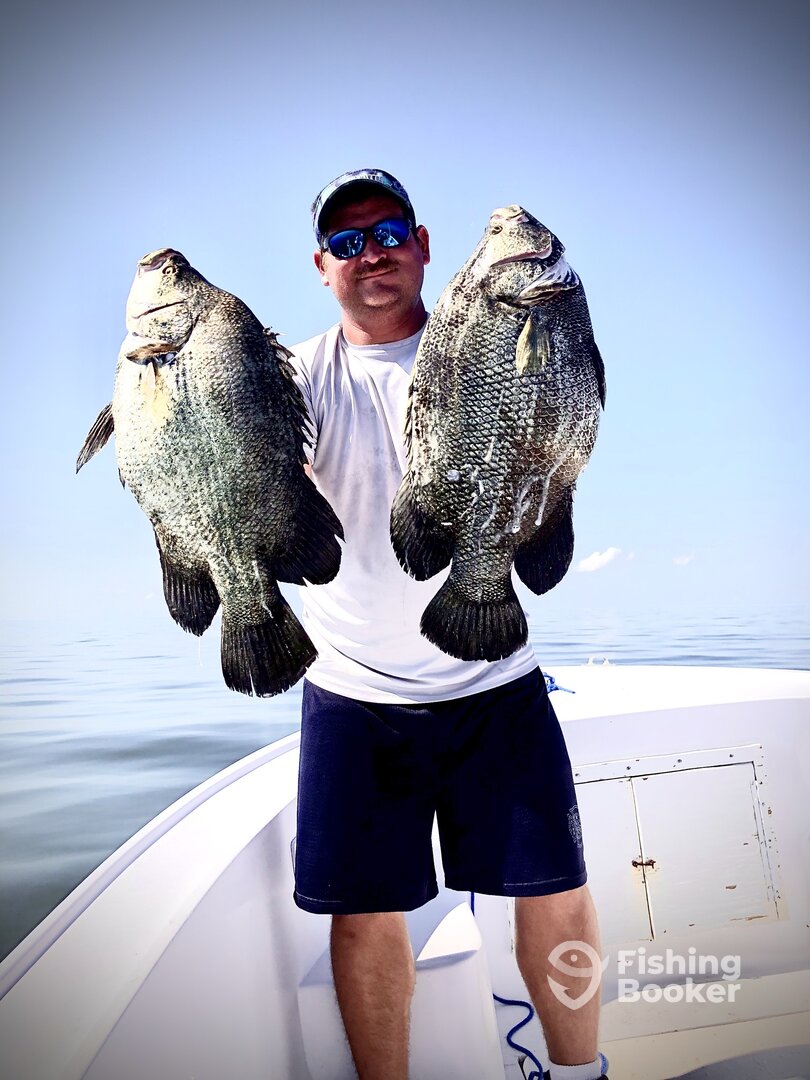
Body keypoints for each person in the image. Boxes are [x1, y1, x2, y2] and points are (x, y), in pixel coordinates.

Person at [288, 168, 608, 1080]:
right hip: (355, 693)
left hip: (496, 678)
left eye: (388, 233)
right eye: (347, 242)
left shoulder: (486, 338)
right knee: (363, 914)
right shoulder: (296, 379)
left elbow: (564, 423)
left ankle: (581, 1075)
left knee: (557, 891)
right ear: (323, 267)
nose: (371, 254)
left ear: (425, 246)